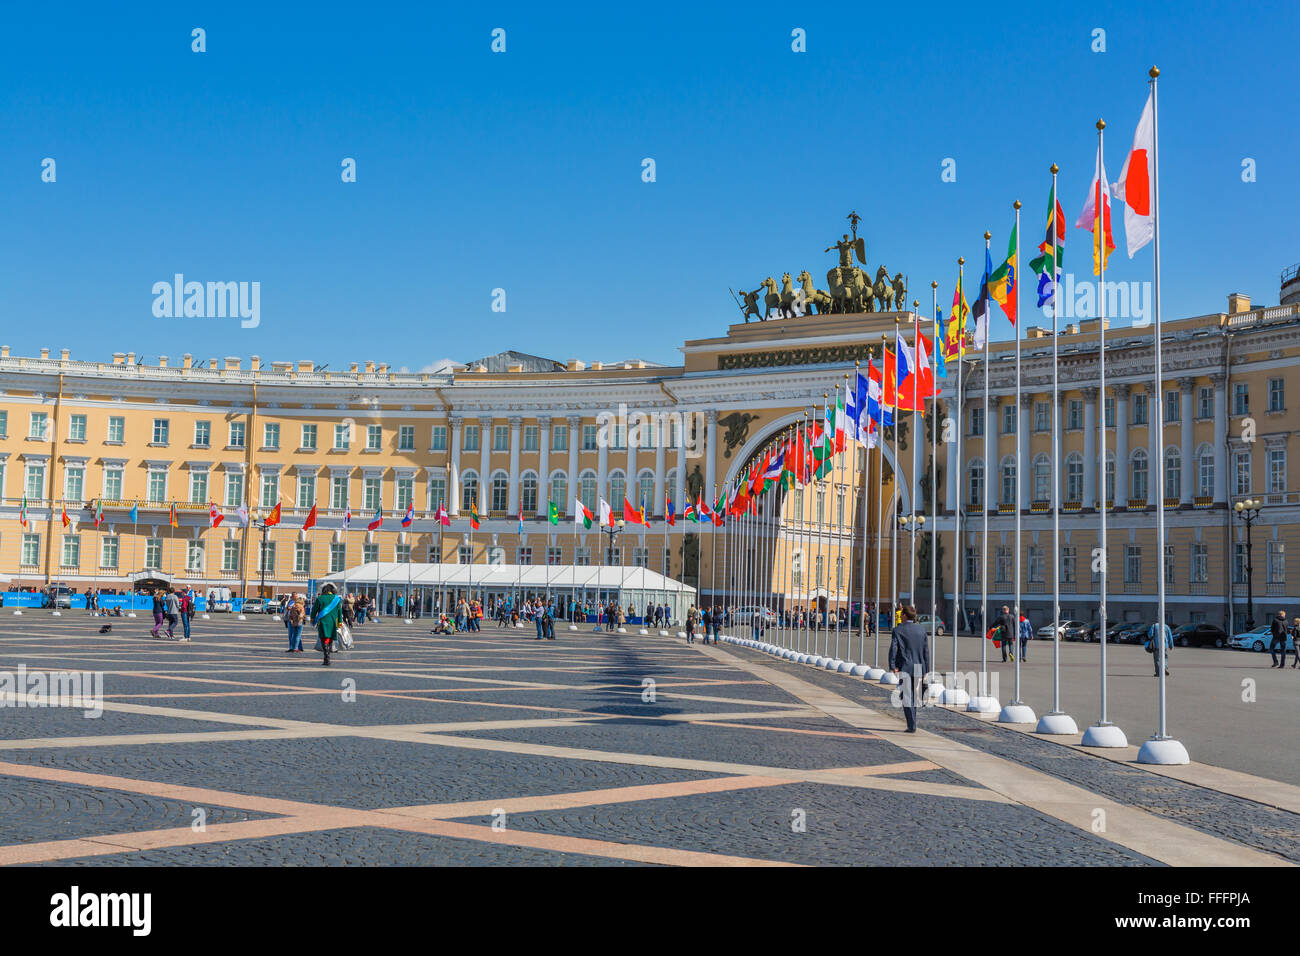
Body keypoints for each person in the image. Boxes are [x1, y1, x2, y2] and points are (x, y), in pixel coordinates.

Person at [889, 604, 931, 733]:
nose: (900, 616)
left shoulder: (898, 630)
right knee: (913, 695)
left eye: (901, 614)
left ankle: (912, 725)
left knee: (908, 696)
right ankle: (912, 722)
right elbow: (926, 651)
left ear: (905, 615)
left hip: (905, 667)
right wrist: (927, 669)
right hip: (919, 666)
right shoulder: (921, 630)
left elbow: (894, 649)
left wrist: (893, 666)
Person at [311, 583, 343, 666]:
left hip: (323, 622)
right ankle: (327, 657)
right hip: (333, 622)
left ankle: (326, 657)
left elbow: (314, 610)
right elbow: (340, 612)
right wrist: (340, 621)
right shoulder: (337, 599)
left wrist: (312, 618)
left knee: (323, 638)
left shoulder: (320, 598)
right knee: (330, 639)